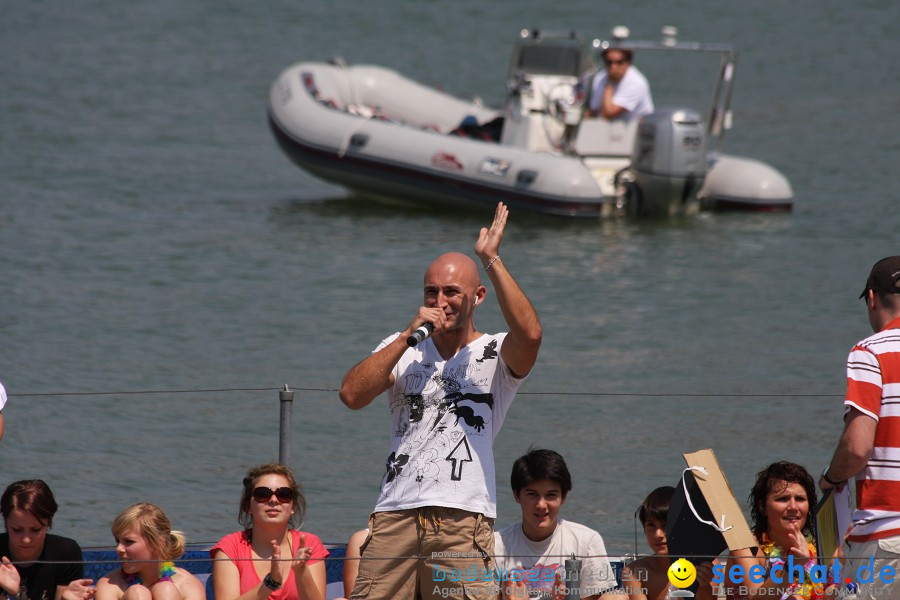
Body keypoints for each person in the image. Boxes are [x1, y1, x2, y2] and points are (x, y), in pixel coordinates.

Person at [339, 201, 542, 600]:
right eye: (431, 292)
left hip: (462, 518)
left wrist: (492, 259)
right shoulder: (403, 348)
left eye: (452, 292)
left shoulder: (495, 352)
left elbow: (531, 336)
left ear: (477, 296)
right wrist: (405, 337)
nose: (441, 301)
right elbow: (351, 395)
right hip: (395, 513)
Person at [819, 255, 900, 600]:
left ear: (871, 298)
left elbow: (856, 448)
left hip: (887, 535)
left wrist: (831, 478)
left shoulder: (870, 352)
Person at [493, 449, 618, 600]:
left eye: (550, 495)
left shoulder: (587, 541)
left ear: (563, 496)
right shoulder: (495, 545)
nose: (541, 505)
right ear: (516, 495)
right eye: (532, 494)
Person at [211, 463, 327, 600]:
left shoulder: (309, 544)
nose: (273, 500)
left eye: (283, 494)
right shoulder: (231, 547)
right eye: (262, 494)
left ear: (292, 506)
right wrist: (270, 583)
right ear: (248, 506)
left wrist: (301, 572)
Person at [724, 462, 829, 600]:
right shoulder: (747, 548)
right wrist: (793, 567)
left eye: (800, 499)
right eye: (783, 499)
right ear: (762, 507)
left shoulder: (820, 544)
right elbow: (756, 597)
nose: (793, 506)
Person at [0, 480, 92, 600]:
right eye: (17, 530)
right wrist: (11, 593)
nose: (26, 540)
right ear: (5, 522)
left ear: (48, 522)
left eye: (36, 529)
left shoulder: (66, 552)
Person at [621, 486, 715, 600]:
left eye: (665, 525)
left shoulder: (707, 565)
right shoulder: (635, 572)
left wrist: (704, 586)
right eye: (651, 525)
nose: (658, 535)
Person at [94, 503, 204, 600]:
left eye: (129, 541)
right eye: (117, 541)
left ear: (158, 543)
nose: (119, 548)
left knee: (166, 590)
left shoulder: (187, 584)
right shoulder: (109, 584)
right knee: (137, 593)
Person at [585, 47, 654, 122]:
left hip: (634, 130)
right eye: (609, 62)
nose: (613, 67)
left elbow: (608, 113)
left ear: (628, 62)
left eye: (619, 62)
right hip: (604, 128)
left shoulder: (636, 82)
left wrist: (609, 83)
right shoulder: (600, 78)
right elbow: (594, 110)